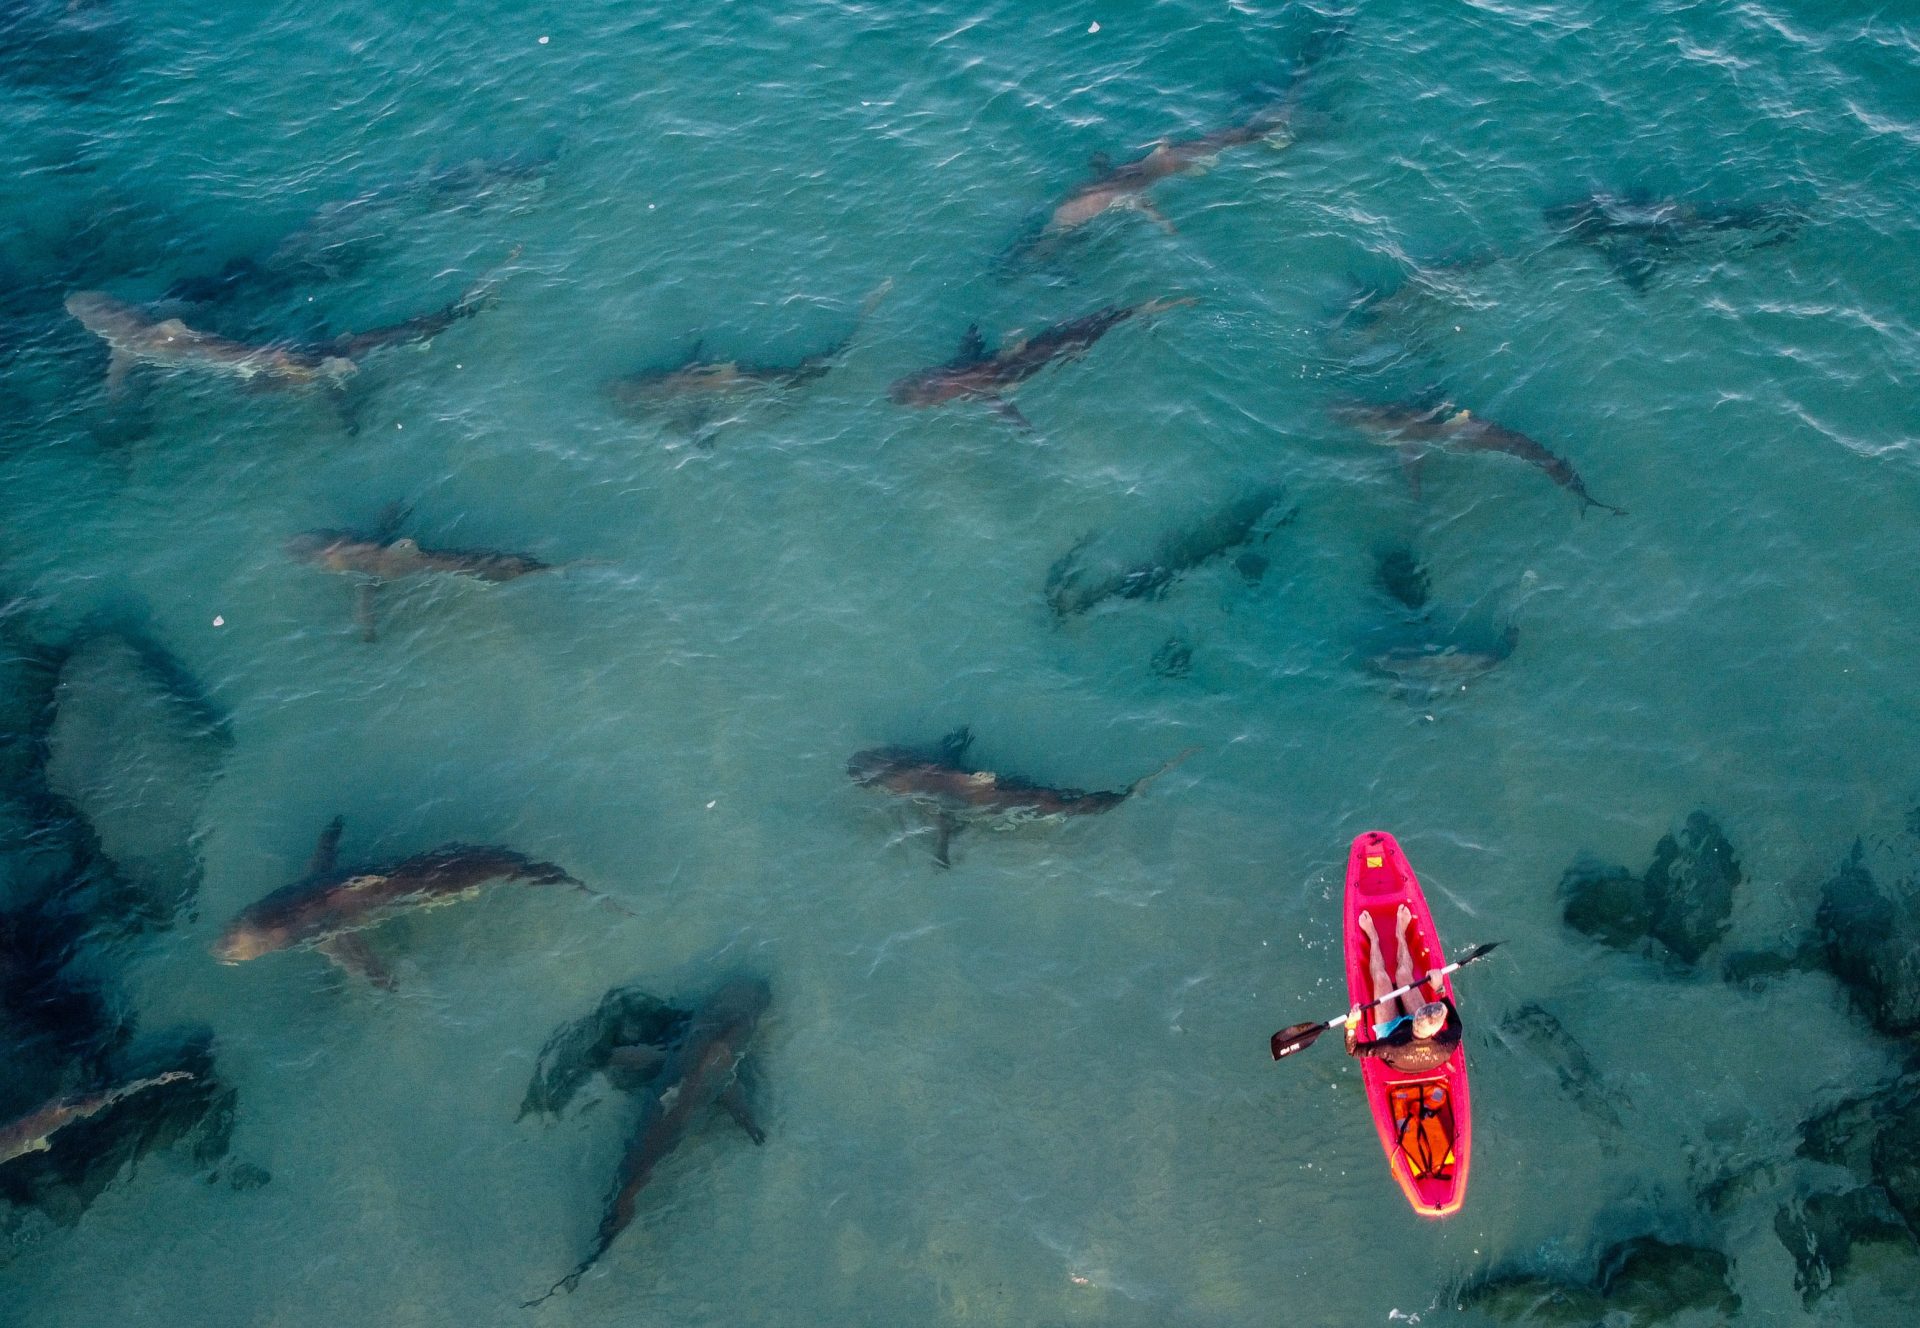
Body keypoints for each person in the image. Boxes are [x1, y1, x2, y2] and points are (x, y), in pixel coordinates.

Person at [1345, 904, 1463, 1074]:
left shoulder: (1389, 1046)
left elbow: (1354, 1050)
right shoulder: (1448, 1043)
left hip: (1392, 1033)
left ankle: (1373, 938)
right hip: (1412, 1040)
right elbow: (1457, 1024)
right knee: (1402, 974)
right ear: (1437, 1030)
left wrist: (1351, 1023)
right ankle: (1400, 934)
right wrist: (1439, 990)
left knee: (1380, 977)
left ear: (1415, 1020)